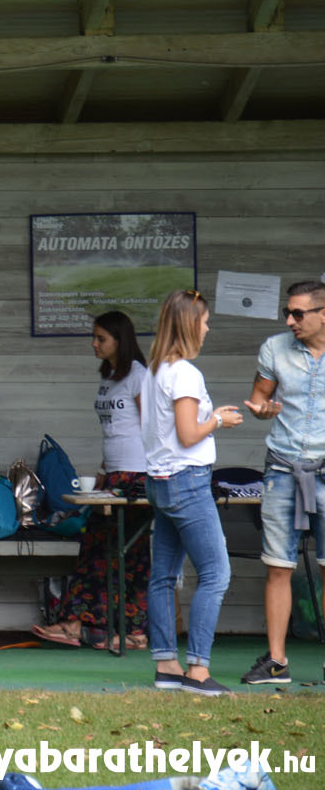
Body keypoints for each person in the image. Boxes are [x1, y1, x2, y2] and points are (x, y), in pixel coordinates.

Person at [141, 288, 243, 697]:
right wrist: (217, 419)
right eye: (203, 320)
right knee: (216, 574)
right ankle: (198, 672)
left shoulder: (153, 372)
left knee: (162, 576)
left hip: (159, 482)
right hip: (187, 480)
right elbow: (187, 435)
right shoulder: (184, 373)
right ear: (188, 324)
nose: (207, 326)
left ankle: (166, 664)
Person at [33, 311, 151, 649]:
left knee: (131, 555)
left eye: (101, 338)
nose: (94, 343)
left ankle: (133, 631)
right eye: (94, 337)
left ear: (120, 340)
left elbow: (152, 428)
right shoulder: (110, 378)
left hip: (137, 476)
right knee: (96, 549)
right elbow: (115, 429)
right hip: (112, 474)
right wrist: (102, 473)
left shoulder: (139, 377)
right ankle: (84, 626)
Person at [239, 280, 325, 687]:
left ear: (323, 314)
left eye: (298, 313)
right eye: (287, 313)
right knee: (278, 565)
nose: (289, 320)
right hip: (282, 469)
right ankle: (276, 661)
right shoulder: (274, 348)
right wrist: (262, 411)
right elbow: (259, 399)